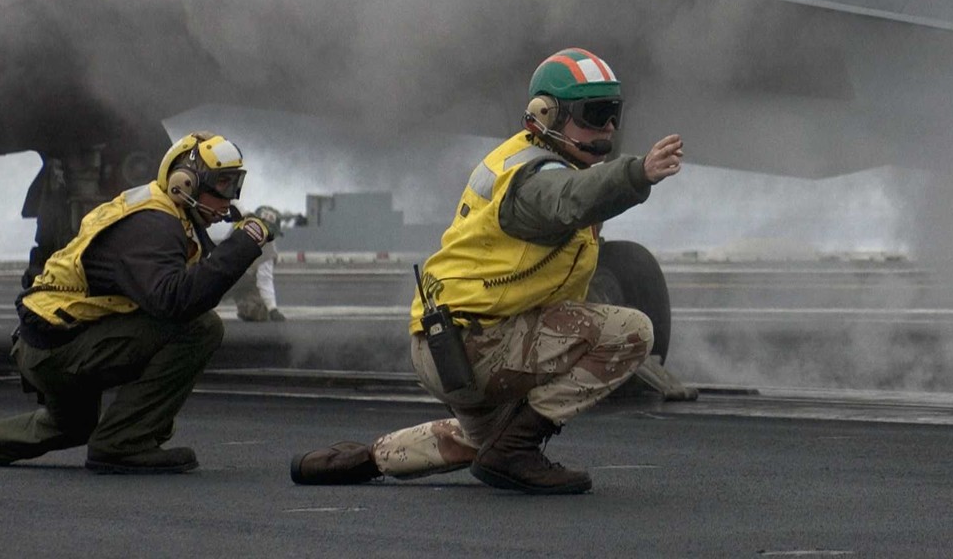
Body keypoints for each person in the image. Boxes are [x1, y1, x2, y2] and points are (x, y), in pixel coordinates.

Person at [289, 48, 683, 495]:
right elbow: (570, 197)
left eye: (614, 114)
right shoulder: (536, 179)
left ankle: (359, 460)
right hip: (479, 344)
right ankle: (517, 448)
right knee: (631, 332)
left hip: (447, 346)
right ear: (546, 115)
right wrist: (638, 174)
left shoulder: (525, 161)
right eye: (595, 114)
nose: (609, 128)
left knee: (482, 442)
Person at [0, 132, 276, 474]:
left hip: (47, 341)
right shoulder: (153, 225)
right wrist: (245, 242)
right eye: (224, 186)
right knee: (200, 328)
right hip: (57, 347)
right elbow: (176, 301)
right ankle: (123, 443)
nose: (229, 202)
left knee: (70, 426)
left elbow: (194, 282)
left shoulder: (168, 217)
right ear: (184, 183)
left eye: (235, 187)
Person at [232, 205, 294, 322]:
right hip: (229, 277)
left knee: (257, 312)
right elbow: (264, 280)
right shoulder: (267, 247)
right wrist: (273, 309)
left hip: (232, 278)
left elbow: (264, 279)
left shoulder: (241, 226)